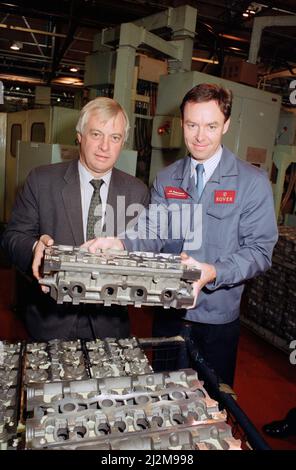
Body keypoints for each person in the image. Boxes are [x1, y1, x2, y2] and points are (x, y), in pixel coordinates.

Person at [84, 83, 278, 387]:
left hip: (216, 321)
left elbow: (260, 252)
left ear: (226, 125)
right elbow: (152, 229)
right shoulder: (168, 178)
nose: (200, 136)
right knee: (162, 396)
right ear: (182, 124)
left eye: (211, 125)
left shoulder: (251, 183)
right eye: (192, 125)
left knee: (211, 405)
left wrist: (213, 271)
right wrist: (119, 242)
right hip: (169, 312)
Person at [1, 97, 149, 341]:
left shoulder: (137, 192)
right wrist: (35, 248)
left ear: (122, 142)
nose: (105, 146)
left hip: (109, 325)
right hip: (51, 321)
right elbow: (12, 237)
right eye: (96, 134)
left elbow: (143, 250)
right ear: (79, 135)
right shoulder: (42, 181)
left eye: (115, 137)